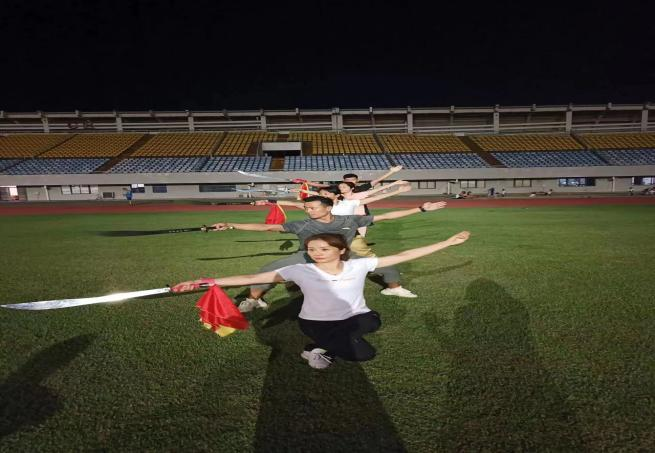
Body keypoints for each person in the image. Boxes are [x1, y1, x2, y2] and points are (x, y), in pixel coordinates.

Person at [172, 230, 470, 369]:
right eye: (312, 249)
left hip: (356, 317)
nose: (316, 253)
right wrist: (207, 282)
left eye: (324, 249)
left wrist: (446, 241)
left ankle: (320, 348)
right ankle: (315, 347)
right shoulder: (299, 270)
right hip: (316, 323)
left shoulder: (358, 265)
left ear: (341, 251)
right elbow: (250, 277)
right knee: (364, 355)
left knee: (373, 321)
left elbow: (404, 255)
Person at [209, 196, 448, 312]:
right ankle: (254, 299)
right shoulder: (302, 224)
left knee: (385, 266)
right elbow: (266, 228)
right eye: (306, 207)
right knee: (267, 271)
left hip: (343, 256)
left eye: (313, 207)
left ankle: (393, 288)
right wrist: (231, 224)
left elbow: (386, 216)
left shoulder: (349, 220)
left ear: (328, 207)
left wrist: (420, 209)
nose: (309, 210)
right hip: (307, 256)